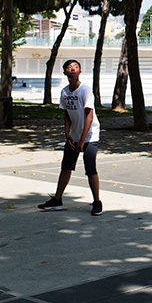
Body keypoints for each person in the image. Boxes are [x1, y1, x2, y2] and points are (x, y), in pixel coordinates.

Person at [38, 60, 103, 216]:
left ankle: (97, 202)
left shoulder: (85, 90)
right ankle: (57, 200)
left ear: (79, 72)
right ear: (65, 72)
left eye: (76, 68)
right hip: (74, 136)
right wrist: (67, 133)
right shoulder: (65, 92)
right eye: (69, 68)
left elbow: (89, 116)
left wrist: (82, 140)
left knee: (90, 168)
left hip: (90, 135)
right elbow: (66, 113)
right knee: (66, 167)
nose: (72, 70)